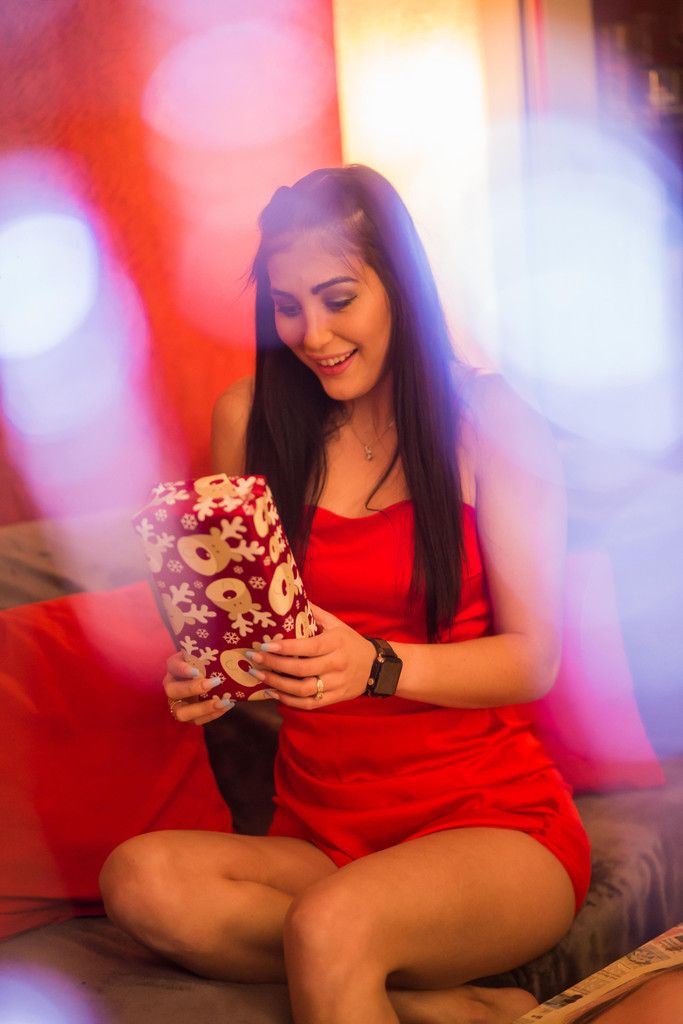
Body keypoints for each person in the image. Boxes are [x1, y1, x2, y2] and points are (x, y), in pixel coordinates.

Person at [100, 164, 591, 1024]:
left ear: (398, 285)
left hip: (488, 822)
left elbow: (532, 660)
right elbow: (252, 633)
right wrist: (214, 674)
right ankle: (452, 1009)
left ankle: (364, 965)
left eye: (338, 299)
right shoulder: (249, 419)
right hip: (319, 830)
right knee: (138, 880)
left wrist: (375, 666)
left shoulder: (488, 419)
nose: (313, 334)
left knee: (333, 926)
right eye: (287, 307)